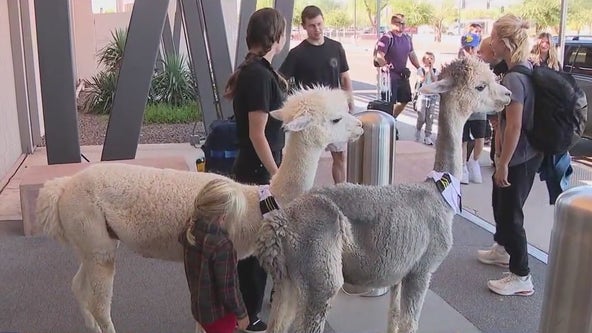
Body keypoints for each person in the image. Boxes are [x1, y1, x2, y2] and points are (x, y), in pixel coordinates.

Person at [223, 7, 288, 331]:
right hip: (257, 173)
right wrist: (278, 173)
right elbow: (256, 132)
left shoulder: (253, 71)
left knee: (251, 246)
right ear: (275, 37)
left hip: (251, 169)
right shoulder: (260, 76)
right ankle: (250, 316)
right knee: (254, 249)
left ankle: (247, 311)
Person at [477, 14, 543, 297]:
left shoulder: (515, 78)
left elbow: (515, 125)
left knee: (511, 214)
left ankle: (522, 275)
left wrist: (503, 162)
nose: (490, 42)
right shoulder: (520, 69)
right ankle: (503, 249)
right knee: (501, 204)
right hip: (521, 154)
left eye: (493, 37)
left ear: (504, 42)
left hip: (520, 157)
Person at [279, 5, 353, 184]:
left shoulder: (336, 47)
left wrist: (349, 101)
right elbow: (281, 79)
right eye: (312, 25)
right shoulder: (297, 54)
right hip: (311, 115)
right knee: (308, 159)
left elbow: (345, 77)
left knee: (340, 156)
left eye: (319, 24)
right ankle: (305, 193)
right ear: (304, 26)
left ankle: (340, 191)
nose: (317, 29)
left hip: (335, 111)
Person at [179, 178, 250, 333]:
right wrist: (242, 313)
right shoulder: (222, 246)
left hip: (199, 307)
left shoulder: (190, 228)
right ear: (223, 217)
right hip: (219, 316)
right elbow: (228, 289)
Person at [374, 14, 421, 119]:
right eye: (399, 23)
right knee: (388, 104)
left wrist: (419, 67)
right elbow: (379, 56)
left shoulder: (407, 39)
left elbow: (412, 54)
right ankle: (388, 124)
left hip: (403, 76)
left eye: (404, 23)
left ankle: (392, 119)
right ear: (393, 24)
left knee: (404, 101)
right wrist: (385, 65)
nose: (402, 25)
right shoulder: (387, 38)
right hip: (389, 78)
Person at [458, 33, 486, 184]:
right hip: (464, 107)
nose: (470, 50)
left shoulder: (482, 64)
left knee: (480, 137)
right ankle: (462, 166)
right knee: (463, 139)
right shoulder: (460, 64)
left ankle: (474, 161)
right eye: (467, 48)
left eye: (472, 47)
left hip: (479, 107)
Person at [414, 52, 439, 145]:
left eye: (431, 59)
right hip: (422, 96)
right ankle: (418, 130)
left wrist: (431, 70)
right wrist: (426, 71)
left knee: (430, 117)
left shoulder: (436, 71)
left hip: (432, 97)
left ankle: (427, 136)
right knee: (421, 116)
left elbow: (435, 81)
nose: (430, 60)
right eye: (428, 58)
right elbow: (420, 80)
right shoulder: (420, 70)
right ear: (424, 60)